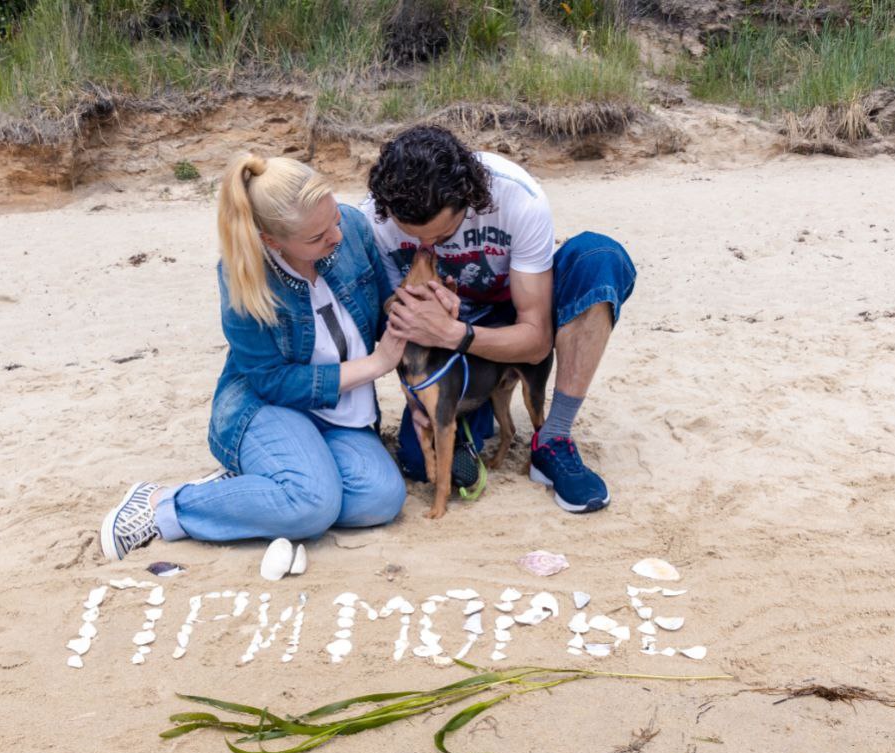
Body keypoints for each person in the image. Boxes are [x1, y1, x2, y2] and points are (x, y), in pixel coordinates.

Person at [100, 153, 407, 561]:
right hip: (265, 405)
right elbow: (271, 381)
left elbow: (387, 305)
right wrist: (376, 364)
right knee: (313, 504)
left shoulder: (351, 228)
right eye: (317, 237)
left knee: (380, 498)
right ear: (273, 241)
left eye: (335, 218)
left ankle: (265, 486)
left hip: (341, 410)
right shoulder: (244, 275)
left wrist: (422, 306)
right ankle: (164, 504)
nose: (336, 235)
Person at [363, 125, 636, 513]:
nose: (427, 248)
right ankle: (468, 417)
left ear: (469, 199)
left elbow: (536, 340)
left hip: (506, 318)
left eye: (441, 236)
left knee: (599, 257)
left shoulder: (515, 196)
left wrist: (455, 333)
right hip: (441, 352)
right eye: (414, 238)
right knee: (418, 462)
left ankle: (553, 438)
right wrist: (414, 394)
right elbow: (396, 321)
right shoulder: (373, 217)